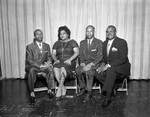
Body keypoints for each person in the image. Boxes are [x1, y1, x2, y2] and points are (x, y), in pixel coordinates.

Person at [95, 25, 130, 107]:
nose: (109, 33)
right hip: (110, 68)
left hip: (122, 67)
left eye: (111, 31)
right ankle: (112, 86)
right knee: (97, 73)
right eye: (107, 31)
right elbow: (104, 59)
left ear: (115, 32)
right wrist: (102, 65)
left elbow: (122, 59)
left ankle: (108, 97)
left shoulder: (122, 42)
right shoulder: (104, 44)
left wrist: (107, 66)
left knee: (111, 70)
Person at [25, 29, 54, 103]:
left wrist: (48, 63)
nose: (40, 35)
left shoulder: (47, 46)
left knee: (51, 69)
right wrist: (40, 66)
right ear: (34, 36)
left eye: (41, 34)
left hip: (44, 66)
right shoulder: (29, 47)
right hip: (34, 66)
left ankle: (50, 90)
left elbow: (49, 57)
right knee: (31, 71)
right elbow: (29, 60)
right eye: (37, 34)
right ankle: (32, 92)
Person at [76, 25, 103, 103]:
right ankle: (83, 88)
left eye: (91, 31)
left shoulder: (99, 42)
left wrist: (90, 64)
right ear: (85, 32)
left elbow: (100, 57)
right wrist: (82, 62)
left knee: (89, 72)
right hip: (85, 63)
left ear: (94, 32)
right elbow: (81, 55)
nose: (89, 33)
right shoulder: (82, 42)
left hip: (95, 64)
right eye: (87, 31)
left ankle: (89, 92)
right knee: (78, 70)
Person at [52, 26, 79, 99]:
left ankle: (58, 91)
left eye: (64, 33)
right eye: (60, 34)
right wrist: (55, 60)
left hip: (70, 62)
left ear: (68, 34)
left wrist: (70, 59)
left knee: (63, 68)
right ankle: (63, 88)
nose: (62, 35)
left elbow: (77, 53)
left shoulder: (73, 42)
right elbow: (53, 54)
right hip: (59, 61)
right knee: (55, 68)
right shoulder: (56, 43)